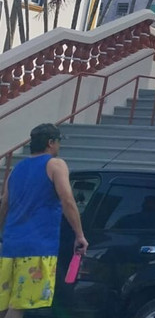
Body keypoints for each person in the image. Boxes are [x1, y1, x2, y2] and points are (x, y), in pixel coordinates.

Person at [0, 123, 88, 318]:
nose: (58, 147)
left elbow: (5, 204)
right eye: (57, 142)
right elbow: (67, 200)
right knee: (19, 305)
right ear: (51, 143)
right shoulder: (55, 164)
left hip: (10, 246)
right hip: (37, 248)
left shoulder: (16, 169)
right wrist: (79, 234)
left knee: (4, 304)